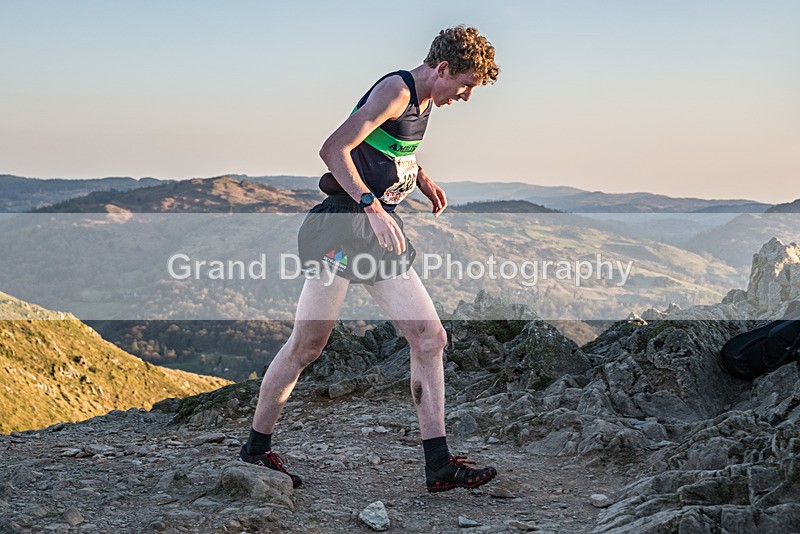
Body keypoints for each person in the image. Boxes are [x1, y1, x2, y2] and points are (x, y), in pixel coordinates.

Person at [239, 25, 500, 493]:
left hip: (375, 231)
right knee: (307, 346)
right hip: (340, 225)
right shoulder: (395, 91)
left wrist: (421, 177)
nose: (465, 96)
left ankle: (438, 464)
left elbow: (386, 147)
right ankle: (256, 450)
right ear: (443, 69)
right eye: (464, 85)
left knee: (429, 337)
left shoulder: (422, 100)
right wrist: (371, 206)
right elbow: (333, 149)